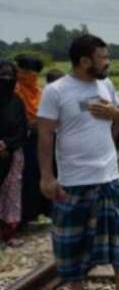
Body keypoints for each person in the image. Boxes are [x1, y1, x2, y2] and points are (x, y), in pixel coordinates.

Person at [37, 34, 119, 290]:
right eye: (103, 58)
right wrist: (46, 175)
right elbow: (45, 133)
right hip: (73, 180)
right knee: (70, 242)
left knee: (117, 233)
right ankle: (77, 286)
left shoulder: (106, 85)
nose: (107, 63)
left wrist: (116, 113)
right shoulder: (56, 91)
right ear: (84, 61)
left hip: (109, 176)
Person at [15, 54, 50, 225]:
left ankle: (36, 212)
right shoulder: (15, 91)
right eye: (27, 71)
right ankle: (22, 216)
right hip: (23, 140)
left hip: (40, 138)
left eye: (34, 73)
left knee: (38, 175)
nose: (31, 76)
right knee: (25, 177)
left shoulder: (39, 91)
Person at [0, 60, 27, 246]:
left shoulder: (17, 102)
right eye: (2, 76)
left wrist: (6, 145)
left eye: (10, 76)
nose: (6, 80)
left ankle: (9, 232)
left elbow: (22, 129)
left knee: (11, 193)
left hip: (12, 154)